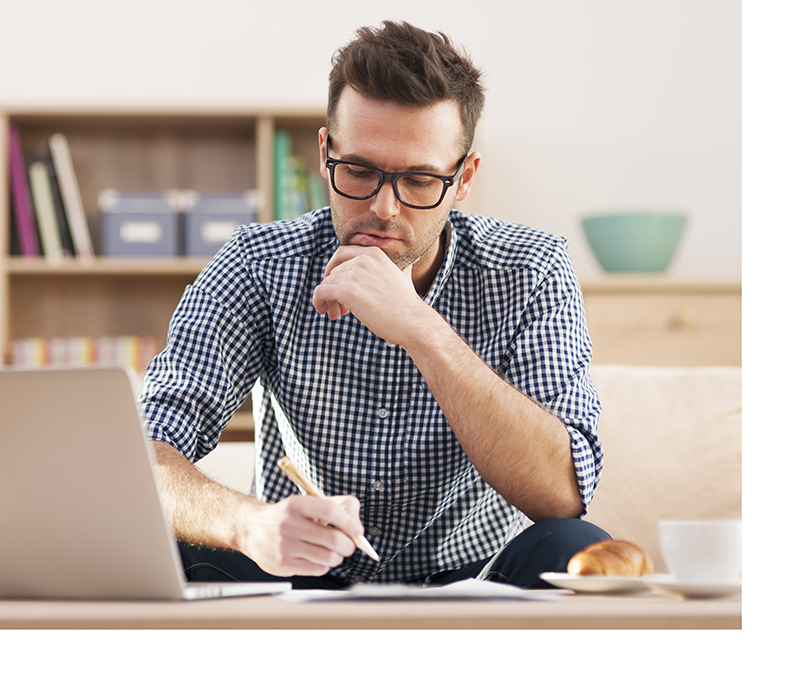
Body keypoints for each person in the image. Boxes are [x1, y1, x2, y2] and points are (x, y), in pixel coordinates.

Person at [140, 20, 608, 589]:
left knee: (574, 548)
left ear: (464, 179)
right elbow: (143, 453)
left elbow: (562, 493)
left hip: (478, 581)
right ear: (324, 153)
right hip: (302, 576)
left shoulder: (532, 271)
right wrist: (248, 525)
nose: (384, 208)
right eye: (359, 171)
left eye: (417, 180)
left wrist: (419, 326)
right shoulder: (258, 265)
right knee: (157, 545)